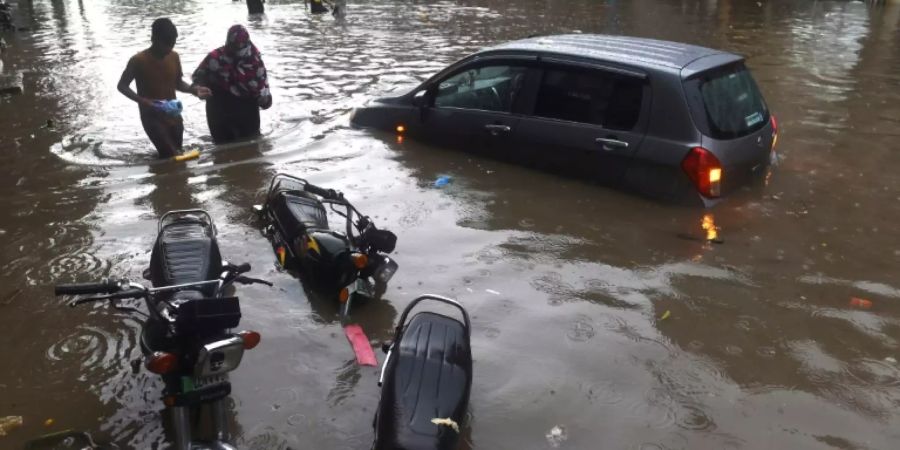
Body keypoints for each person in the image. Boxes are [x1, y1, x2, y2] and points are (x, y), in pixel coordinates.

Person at [117, 18, 211, 158]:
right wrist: (143, 101)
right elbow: (122, 86)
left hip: (173, 113)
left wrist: (194, 90)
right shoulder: (138, 60)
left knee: (178, 154)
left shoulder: (174, 57)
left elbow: (178, 83)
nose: (168, 49)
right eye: (165, 44)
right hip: (151, 116)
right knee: (171, 154)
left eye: (172, 44)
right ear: (153, 38)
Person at [191, 25, 272, 144]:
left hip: (247, 110)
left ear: (247, 44)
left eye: (241, 46)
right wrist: (199, 89)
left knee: (252, 145)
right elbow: (198, 78)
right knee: (221, 146)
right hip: (220, 109)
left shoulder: (255, 61)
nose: (238, 50)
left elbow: (264, 94)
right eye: (234, 46)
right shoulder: (215, 58)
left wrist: (264, 99)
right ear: (228, 43)